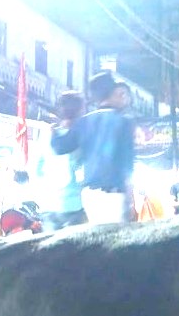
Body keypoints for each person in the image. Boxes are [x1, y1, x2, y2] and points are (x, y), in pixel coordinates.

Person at [51, 71, 135, 224]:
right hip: (114, 195)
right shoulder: (124, 121)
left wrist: (54, 131)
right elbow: (127, 166)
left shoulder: (83, 122)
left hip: (90, 197)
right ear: (113, 93)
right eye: (120, 93)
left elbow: (60, 147)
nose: (123, 97)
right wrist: (130, 201)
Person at [37, 91, 87, 231]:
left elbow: (37, 169)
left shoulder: (47, 135)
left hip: (49, 204)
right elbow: (85, 170)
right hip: (74, 205)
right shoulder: (81, 137)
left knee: (50, 251)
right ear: (80, 111)